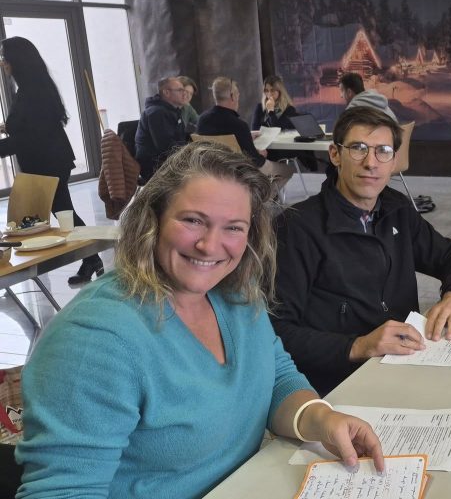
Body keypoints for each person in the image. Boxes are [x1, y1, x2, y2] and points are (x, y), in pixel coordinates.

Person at [15, 141, 384, 498]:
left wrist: (321, 419)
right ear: (153, 219)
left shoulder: (236, 294)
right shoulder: (93, 339)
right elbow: (62, 491)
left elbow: (275, 378)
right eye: (193, 220)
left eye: (233, 227)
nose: (209, 245)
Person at [272, 106, 451, 394]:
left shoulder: (396, 208)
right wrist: (358, 346)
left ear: (393, 161)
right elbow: (276, 333)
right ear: (335, 155)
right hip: (340, 382)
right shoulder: (296, 227)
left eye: (383, 151)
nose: (371, 162)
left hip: (403, 365)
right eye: (358, 148)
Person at [0, 36, 103, 285]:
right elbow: (29, 127)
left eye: (5, 57)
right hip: (49, 159)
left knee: (59, 213)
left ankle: (89, 256)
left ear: (17, 60)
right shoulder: (33, 86)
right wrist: (9, 127)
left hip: (47, 162)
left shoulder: (32, 92)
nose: (3, 62)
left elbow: (28, 137)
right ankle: (91, 258)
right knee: (60, 212)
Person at [197, 77, 294, 195]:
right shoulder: (238, 125)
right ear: (232, 96)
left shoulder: (202, 120)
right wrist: (260, 154)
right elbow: (255, 161)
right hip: (241, 171)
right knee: (288, 170)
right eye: (237, 94)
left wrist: (247, 136)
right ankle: (261, 201)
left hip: (212, 169)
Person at [135, 76, 190, 183]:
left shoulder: (172, 110)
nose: (185, 94)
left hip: (169, 161)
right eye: (180, 90)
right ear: (166, 92)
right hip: (156, 167)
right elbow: (166, 147)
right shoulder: (156, 113)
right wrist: (191, 152)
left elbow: (179, 138)